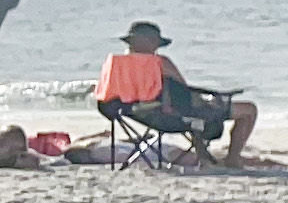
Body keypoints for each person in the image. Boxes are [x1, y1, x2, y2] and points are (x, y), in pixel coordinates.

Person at [95, 21, 258, 161]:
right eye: (154, 42)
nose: (156, 47)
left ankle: (205, 155)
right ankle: (233, 158)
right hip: (176, 117)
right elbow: (185, 93)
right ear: (148, 42)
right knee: (249, 110)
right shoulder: (160, 63)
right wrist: (210, 100)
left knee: (192, 115)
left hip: (137, 115)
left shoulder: (114, 66)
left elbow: (105, 96)